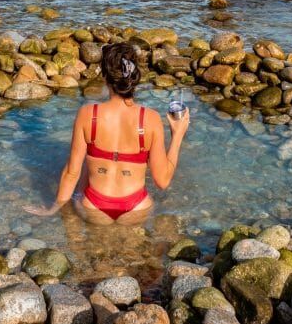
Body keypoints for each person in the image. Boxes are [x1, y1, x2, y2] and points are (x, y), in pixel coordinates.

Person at [25, 41, 190, 223]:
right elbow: (163, 181)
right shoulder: (150, 118)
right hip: (136, 209)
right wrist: (177, 135)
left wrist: (54, 208)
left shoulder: (88, 114)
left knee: (87, 160)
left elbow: (71, 173)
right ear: (135, 76)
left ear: (104, 76)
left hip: (93, 207)